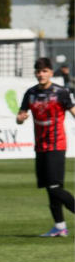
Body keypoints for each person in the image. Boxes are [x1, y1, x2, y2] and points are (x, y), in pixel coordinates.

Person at [17, 57, 75, 237]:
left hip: (56, 144)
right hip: (40, 146)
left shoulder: (61, 92)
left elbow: (73, 111)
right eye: (38, 71)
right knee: (50, 188)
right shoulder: (30, 93)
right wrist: (20, 118)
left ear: (51, 72)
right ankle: (60, 227)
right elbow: (20, 116)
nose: (41, 74)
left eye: (44, 71)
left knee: (54, 187)